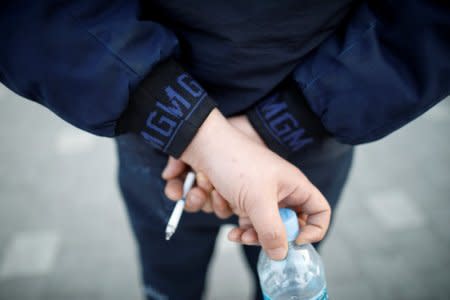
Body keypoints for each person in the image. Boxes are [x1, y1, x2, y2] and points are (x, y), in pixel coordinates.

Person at [1, 1, 449, 299]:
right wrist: (208, 135)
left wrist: (202, 131)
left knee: (275, 277)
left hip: (242, 140)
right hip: (184, 143)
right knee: (176, 281)